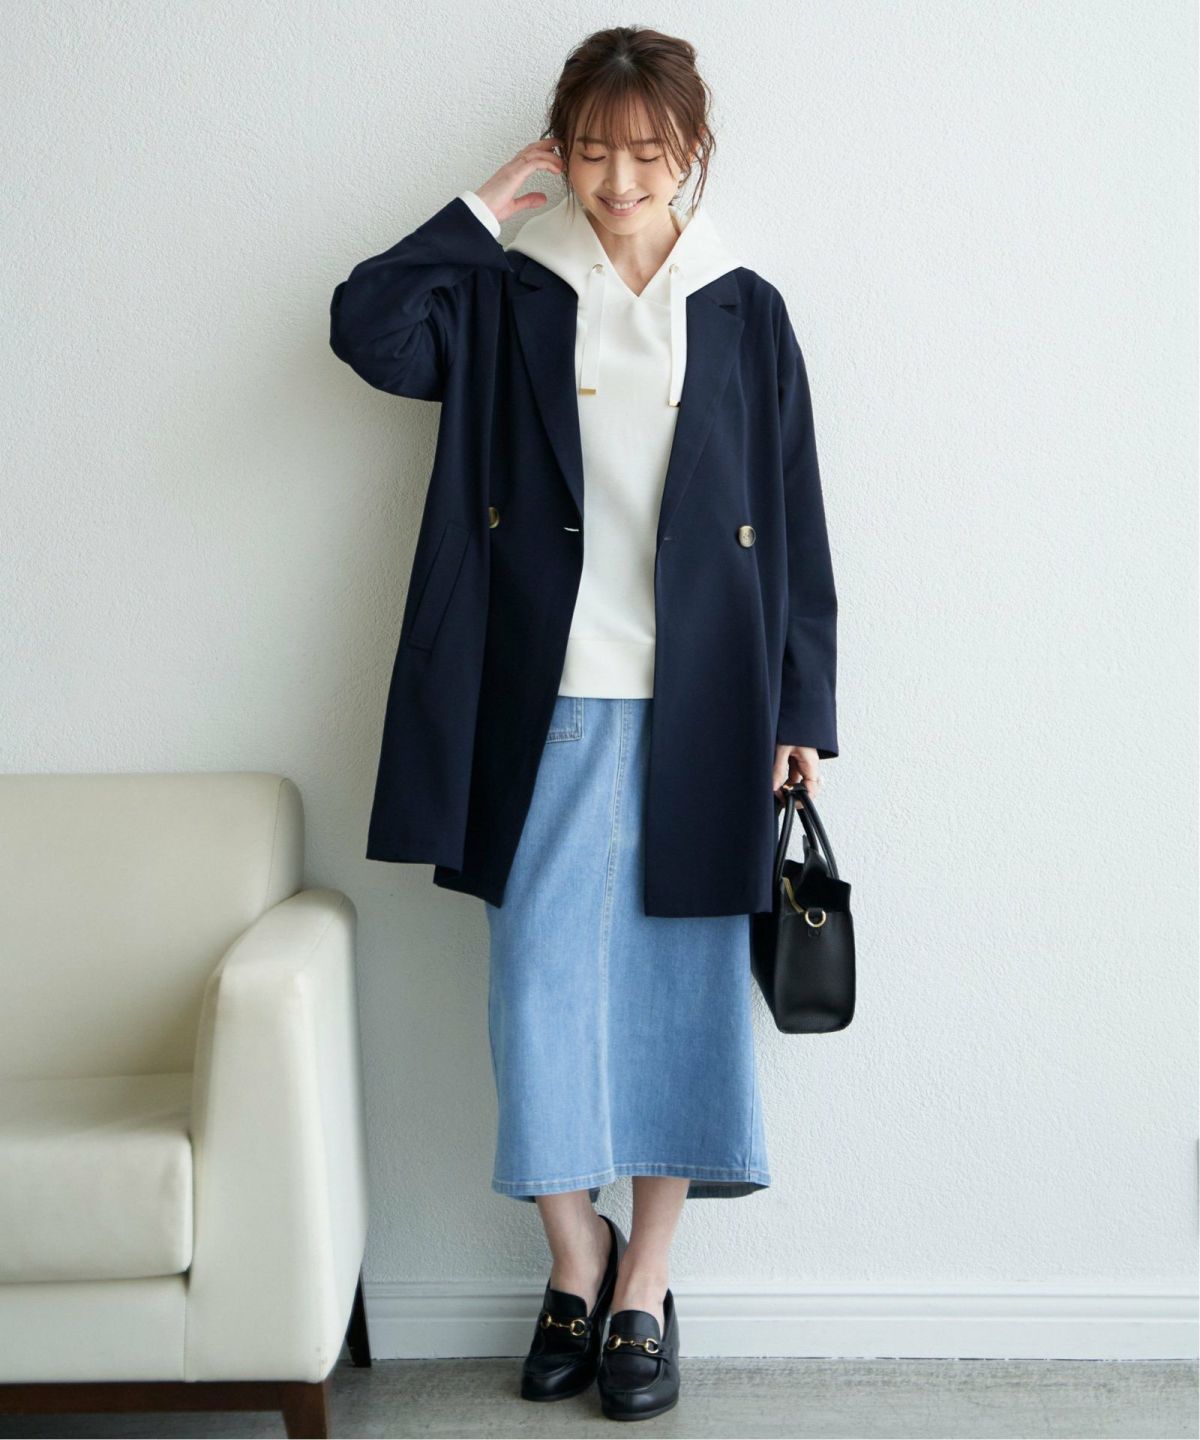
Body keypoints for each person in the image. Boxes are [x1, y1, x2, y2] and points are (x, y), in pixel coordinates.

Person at [329, 24, 839, 1423]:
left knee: (681, 1003)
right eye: (596, 152)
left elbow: (796, 514)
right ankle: (575, 1257)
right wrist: (486, 206)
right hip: (543, 700)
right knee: (538, 999)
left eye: (649, 154)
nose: (621, 181)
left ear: (692, 154)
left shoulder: (744, 308)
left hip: (709, 710)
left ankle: (643, 1284)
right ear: (564, 148)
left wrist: (803, 706)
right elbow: (368, 329)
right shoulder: (511, 293)